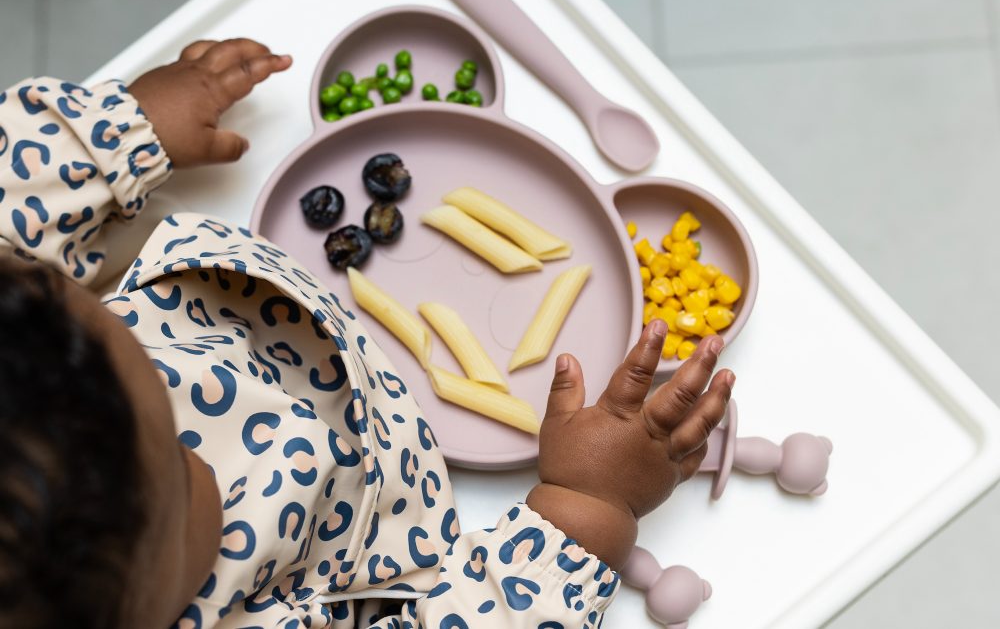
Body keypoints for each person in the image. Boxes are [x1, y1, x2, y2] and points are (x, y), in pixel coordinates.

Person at [0, 38, 734, 628]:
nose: (199, 448)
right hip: (386, 521)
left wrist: (112, 139)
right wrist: (588, 509)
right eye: (186, 492)